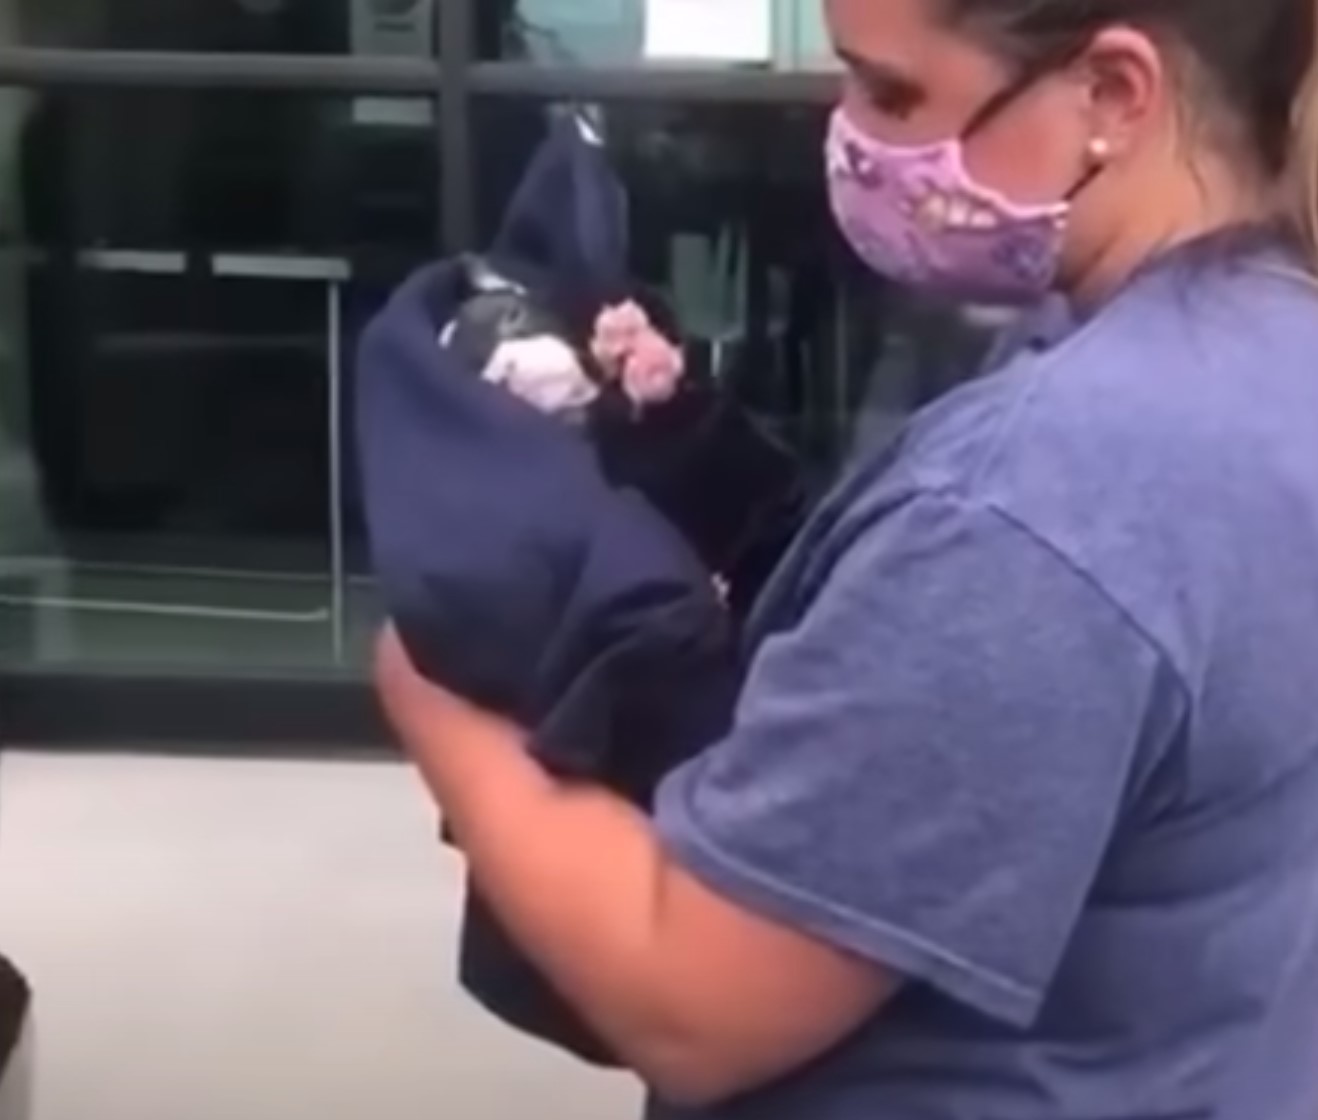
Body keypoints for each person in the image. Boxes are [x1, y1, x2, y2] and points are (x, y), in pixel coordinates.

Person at [373, 0, 1318, 1116]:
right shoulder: (1260, 360)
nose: (852, 136)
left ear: (1113, 94)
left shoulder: (1047, 492)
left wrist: (435, 686)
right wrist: (697, 458)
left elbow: (691, 994)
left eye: (894, 92)